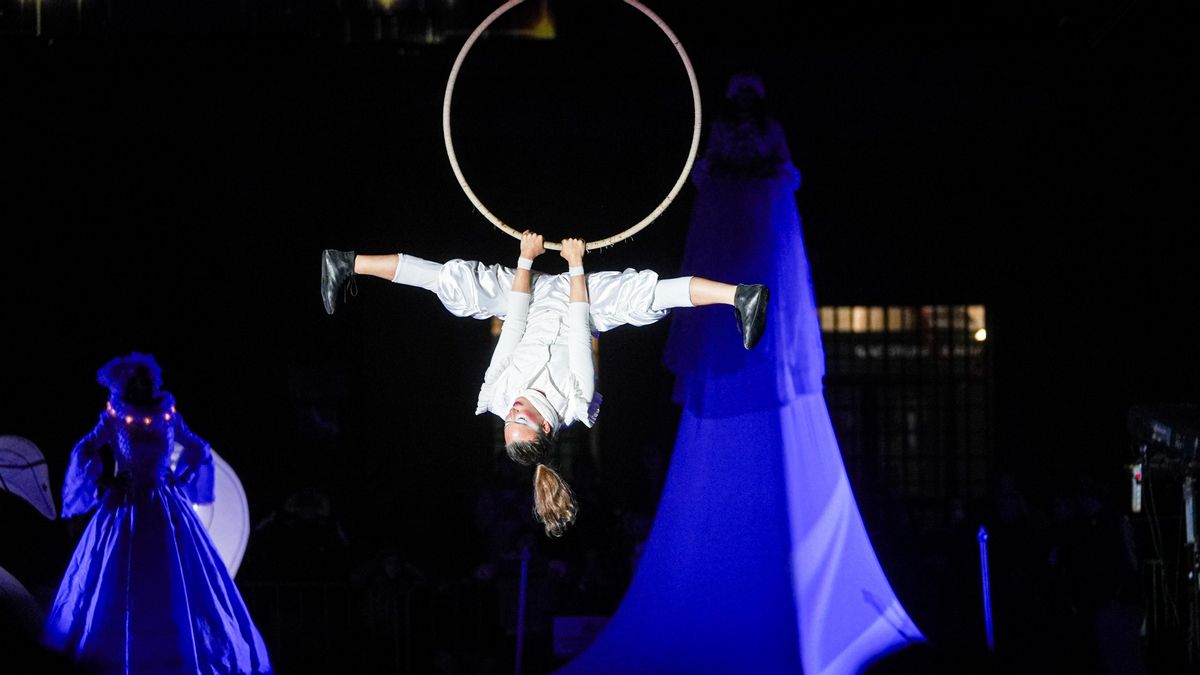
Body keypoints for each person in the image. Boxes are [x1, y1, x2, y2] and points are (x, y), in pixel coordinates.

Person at [321, 232, 768, 536]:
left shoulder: (498, 395)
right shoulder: (575, 401)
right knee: (641, 302)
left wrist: (526, 258)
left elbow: (513, 324)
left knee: (459, 290)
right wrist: (575, 265)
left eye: (508, 421)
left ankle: (347, 263)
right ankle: (740, 295)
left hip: (525, 296)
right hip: (582, 302)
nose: (513, 410)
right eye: (522, 419)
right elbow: (578, 329)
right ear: (546, 426)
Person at [43, 353, 271, 674]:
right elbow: (85, 448)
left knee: (174, 575)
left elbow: (198, 447)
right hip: (125, 508)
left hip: (164, 505)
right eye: (138, 381)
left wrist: (183, 478)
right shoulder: (115, 417)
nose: (145, 385)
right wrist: (104, 480)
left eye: (148, 380)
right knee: (119, 576)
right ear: (127, 384)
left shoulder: (167, 416)